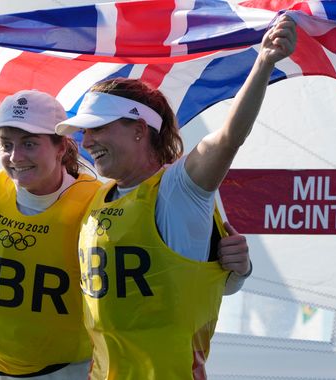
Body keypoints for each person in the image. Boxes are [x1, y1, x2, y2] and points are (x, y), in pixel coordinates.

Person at [0, 28, 253, 380]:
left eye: (29, 142)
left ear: (63, 148)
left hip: (70, 373)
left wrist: (236, 270)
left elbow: (183, 268)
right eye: (6, 143)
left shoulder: (101, 197)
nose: (16, 156)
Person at [54, 15, 297, 379]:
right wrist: (237, 273)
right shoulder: (99, 195)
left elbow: (228, 138)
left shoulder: (178, 189)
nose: (86, 142)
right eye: (83, 132)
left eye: (97, 128)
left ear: (139, 130)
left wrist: (263, 62)